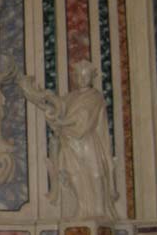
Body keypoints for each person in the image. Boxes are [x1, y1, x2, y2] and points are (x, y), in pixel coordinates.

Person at [17, 59, 118, 219]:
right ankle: (82, 209)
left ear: (92, 77)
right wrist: (33, 94)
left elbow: (84, 116)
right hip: (69, 142)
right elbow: (56, 108)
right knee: (73, 174)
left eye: (85, 76)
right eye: (79, 75)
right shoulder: (70, 97)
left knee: (96, 173)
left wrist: (62, 122)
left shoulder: (95, 96)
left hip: (87, 141)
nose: (82, 79)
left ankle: (99, 209)